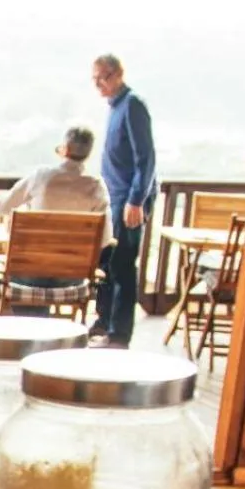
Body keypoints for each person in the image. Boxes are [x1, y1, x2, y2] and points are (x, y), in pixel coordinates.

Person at [0, 127, 112, 315]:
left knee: (12, 272)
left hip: (29, 274)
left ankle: (29, 335)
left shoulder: (41, 176)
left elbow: (2, 207)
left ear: (64, 149)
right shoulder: (96, 186)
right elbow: (106, 239)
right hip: (72, 277)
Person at [91, 53, 157, 347]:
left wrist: (136, 200)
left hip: (129, 199)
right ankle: (104, 322)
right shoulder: (114, 107)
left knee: (122, 264)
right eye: (94, 80)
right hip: (114, 196)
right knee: (109, 262)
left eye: (102, 78)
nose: (98, 85)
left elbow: (146, 158)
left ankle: (119, 334)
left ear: (118, 74)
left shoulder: (132, 105)